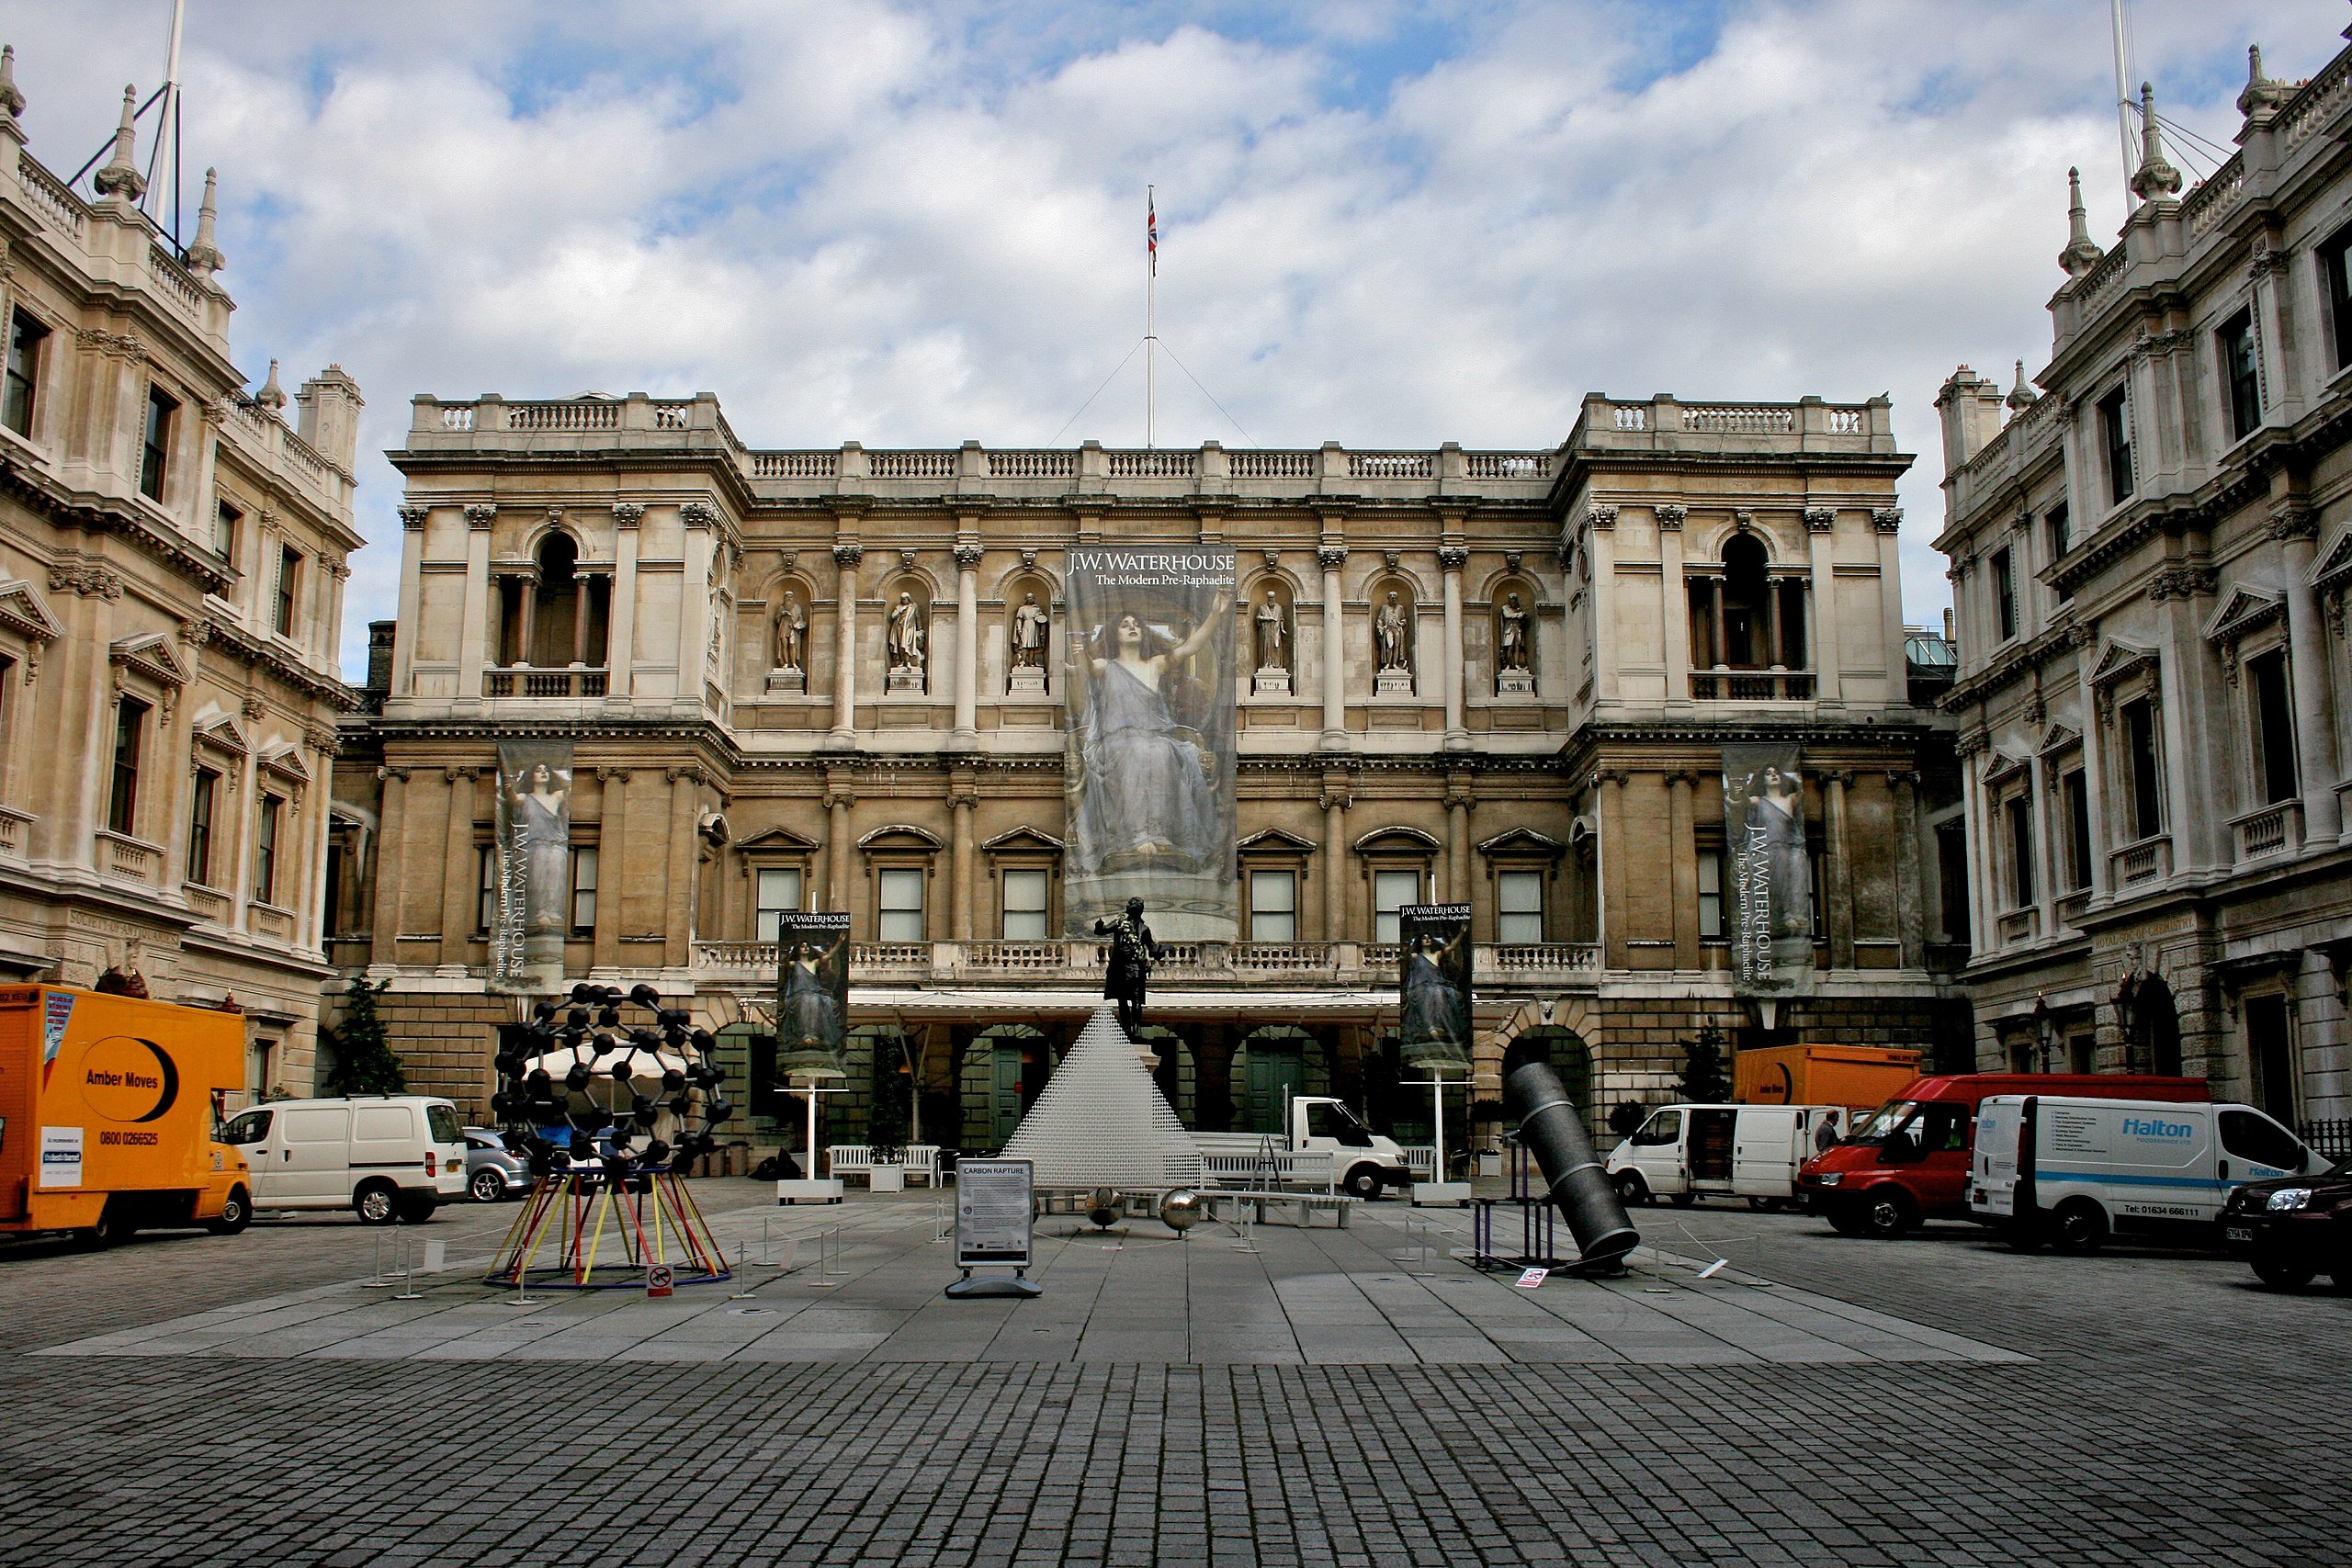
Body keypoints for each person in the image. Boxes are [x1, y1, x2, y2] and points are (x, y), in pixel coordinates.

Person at [1071, 604, 1227, 875]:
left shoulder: (1156, 664)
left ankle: (1161, 831)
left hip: (1155, 737)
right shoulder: (1105, 666)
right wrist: (1080, 650)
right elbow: (1087, 668)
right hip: (1116, 742)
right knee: (1140, 752)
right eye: (1125, 624)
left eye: (1136, 624)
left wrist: (1215, 611)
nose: (1132, 627)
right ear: (1114, 634)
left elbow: (1192, 646)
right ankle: (1138, 833)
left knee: (1164, 752)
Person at [1399, 923, 1470, 1064]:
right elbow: (1404, 955)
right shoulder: (1415, 956)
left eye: (1428, 938)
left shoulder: (1437, 955)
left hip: (1437, 984)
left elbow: (1452, 947)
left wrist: (1462, 932)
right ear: (1420, 941)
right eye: (1424, 938)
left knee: (1439, 992)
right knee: (1429, 992)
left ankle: (1439, 1025)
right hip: (1420, 987)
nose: (1427, 939)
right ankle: (1430, 1026)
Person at [1095, 897, 1160, 1037]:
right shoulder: (1120, 923)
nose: (1128, 905)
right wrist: (1099, 926)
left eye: (1131, 904)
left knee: (1136, 999)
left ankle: (1136, 1028)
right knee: (1122, 999)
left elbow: (1152, 948)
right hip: (1119, 966)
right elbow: (1102, 931)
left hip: (1135, 966)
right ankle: (1126, 1028)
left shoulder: (1144, 929)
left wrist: (1161, 951)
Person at [887, 592, 925, 673]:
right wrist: (901, 610)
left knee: (907, 644)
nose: (903, 600)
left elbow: (917, 617)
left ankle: (908, 662)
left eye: (904, 599)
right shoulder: (899, 607)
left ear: (908, 598)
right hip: (899, 627)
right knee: (900, 644)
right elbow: (893, 616)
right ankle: (902, 661)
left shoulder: (913, 606)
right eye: (902, 599)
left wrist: (919, 628)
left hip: (909, 629)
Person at [1012, 592, 1049, 669]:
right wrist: (1019, 629)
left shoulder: (1036, 608)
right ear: (1026, 599)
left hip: (1034, 626)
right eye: (1029, 597)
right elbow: (1019, 619)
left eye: (1031, 597)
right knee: (1024, 644)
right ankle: (1022, 661)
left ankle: (1031, 661)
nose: (1030, 599)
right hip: (1025, 625)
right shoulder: (1022, 608)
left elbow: (1040, 618)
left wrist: (1040, 618)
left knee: (1032, 645)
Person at [1254, 589, 1288, 671]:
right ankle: (1266, 663)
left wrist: (1282, 628)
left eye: (1272, 598)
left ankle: (1276, 664)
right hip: (1265, 631)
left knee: (1276, 647)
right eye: (1269, 598)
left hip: (1276, 631)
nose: (1271, 600)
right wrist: (1267, 618)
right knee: (1266, 647)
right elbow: (1258, 617)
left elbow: (1281, 619)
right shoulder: (1262, 607)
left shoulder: (1279, 608)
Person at [1375, 591, 1410, 671]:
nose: (1394, 598)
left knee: (1397, 646)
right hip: (1388, 629)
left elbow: (1404, 619)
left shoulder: (1400, 608)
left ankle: (1394, 664)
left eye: (1395, 597)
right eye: (1392, 597)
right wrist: (1380, 627)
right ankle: (1388, 663)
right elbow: (1380, 619)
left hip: (1397, 628)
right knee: (1390, 645)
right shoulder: (1384, 608)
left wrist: (1402, 623)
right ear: (1388, 598)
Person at [774, 589, 807, 670]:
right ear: (784, 598)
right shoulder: (781, 607)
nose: (789, 598)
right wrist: (782, 614)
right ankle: (785, 662)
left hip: (793, 628)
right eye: (787, 597)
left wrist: (796, 625)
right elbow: (777, 619)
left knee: (792, 645)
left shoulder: (797, 607)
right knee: (784, 644)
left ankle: (793, 662)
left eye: (790, 597)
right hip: (784, 627)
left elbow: (800, 619)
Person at [1498, 592, 1532, 671]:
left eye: (1514, 599)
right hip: (1509, 630)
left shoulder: (1519, 609)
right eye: (1511, 599)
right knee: (1510, 647)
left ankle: (1517, 664)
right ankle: (1508, 665)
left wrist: (1522, 616)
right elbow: (1507, 615)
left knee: (1518, 647)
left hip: (1518, 629)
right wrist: (1518, 615)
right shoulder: (1505, 608)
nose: (1513, 601)